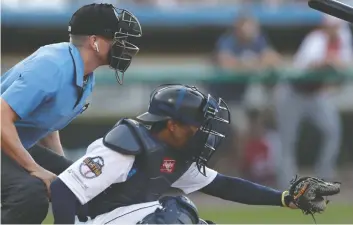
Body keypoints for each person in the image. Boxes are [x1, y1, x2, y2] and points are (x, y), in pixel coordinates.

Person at [50, 84, 300, 224]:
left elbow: (223, 186)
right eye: (198, 125)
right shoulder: (126, 147)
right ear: (173, 125)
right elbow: (62, 189)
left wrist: (285, 198)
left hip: (122, 219)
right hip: (93, 221)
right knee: (174, 217)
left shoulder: (175, 153)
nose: (204, 132)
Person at [0, 3, 142, 224]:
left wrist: (66, 169)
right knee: (30, 193)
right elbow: (1, 116)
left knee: (85, 180)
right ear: (94, 42)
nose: (125, 46)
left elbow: (46, 123)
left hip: (10, 143)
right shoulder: (53, 65)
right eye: (118, 38)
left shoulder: (85, 73)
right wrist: (36, 169)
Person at [274, 14, 352, 189]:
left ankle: (324, 177)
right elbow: (308, 66)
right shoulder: (315, 39)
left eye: (336, 25)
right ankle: (287, 185)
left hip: (316, 95)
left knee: (332, 131)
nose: (334, 29)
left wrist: (333, 65)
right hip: (293, 93)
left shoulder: (343, 38)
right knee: (288, 139)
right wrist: (329, 62)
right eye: (330, 25)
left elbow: (344, 66)